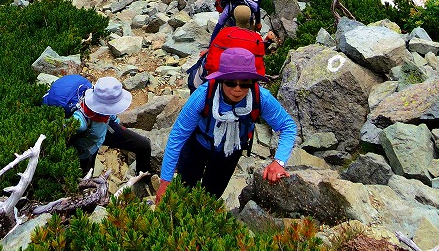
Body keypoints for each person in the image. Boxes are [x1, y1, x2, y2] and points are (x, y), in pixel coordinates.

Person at [155, 47, 296, 203]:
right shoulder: (203, 95)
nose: (237, 89)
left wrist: (279, 161)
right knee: (185, 188)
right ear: (221, 80)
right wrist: (165, 181)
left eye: (245, 84)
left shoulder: (261, 98)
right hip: (198, 144)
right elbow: (178, 135)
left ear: (252, 82)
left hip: (231, 149)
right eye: (230, 82)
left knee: (211, 196)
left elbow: (287, 126)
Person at [70, 76, 152, 177]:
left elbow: (111, 115)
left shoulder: (104, 107)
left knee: (143, 145)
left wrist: (115, 121)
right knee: (86, 178)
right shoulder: (79, 122)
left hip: (103, 130)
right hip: (86, 149)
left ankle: (143, 179)